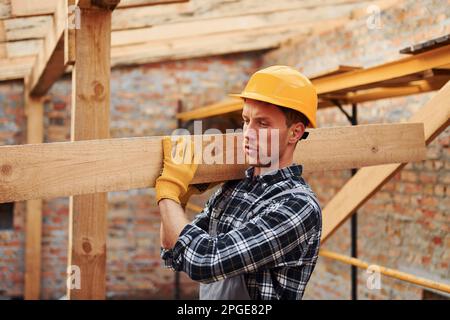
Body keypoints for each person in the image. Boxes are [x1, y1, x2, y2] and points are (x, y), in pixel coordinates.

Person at [155, 65, 322, 300]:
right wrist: (181, 199)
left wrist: (169, 191)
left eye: (263, 124)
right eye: (246, 120)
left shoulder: (297, 206)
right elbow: (174, 252)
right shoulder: (235, 188)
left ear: (294, 133)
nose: (248, 133)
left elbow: (204, 262)